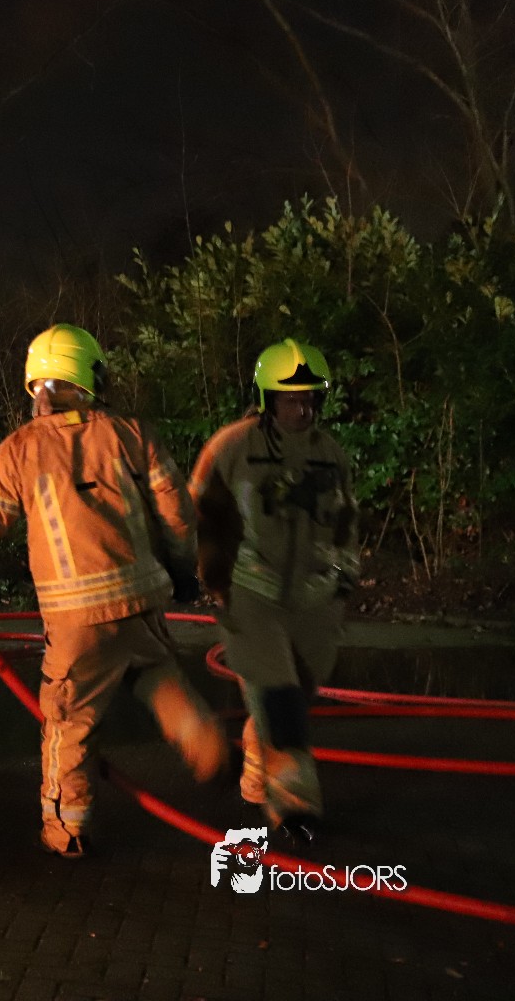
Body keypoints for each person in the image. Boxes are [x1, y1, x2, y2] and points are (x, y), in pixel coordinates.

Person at [0, 323, 226, 858]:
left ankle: (67, 831)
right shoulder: (131, 434)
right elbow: (177, 514)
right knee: (158, 675)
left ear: (36, 384)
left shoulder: (21, 450)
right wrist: (182, 572)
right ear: (89, 376)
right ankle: (203, 740)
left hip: (77, 622)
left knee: (68, 723)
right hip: (142, 603)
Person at [190, 338, 358, 843]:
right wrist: (213, 577)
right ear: (266, 399)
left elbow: (346, 521)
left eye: (309, 399)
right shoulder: (233, 448)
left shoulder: (329, 454)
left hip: (313, 601)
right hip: (252, 595)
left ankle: (254, 778)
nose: (302, 410)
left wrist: (345, 577)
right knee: (279, 702)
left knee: (292, 697)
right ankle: (295, 807)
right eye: (290, 400)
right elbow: (202, 513)